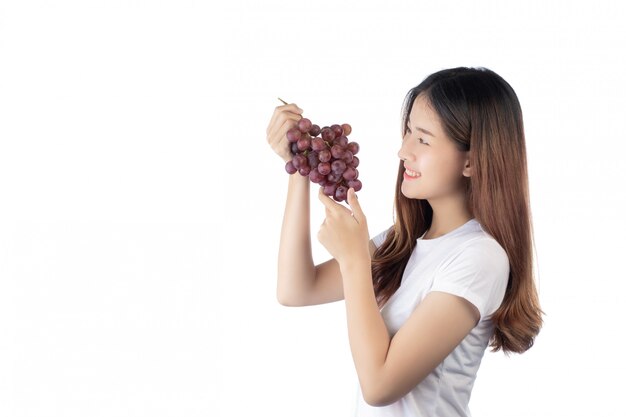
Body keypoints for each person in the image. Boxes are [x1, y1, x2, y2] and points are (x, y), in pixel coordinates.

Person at [265, 66, 543, 416]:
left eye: (423, 140)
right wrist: (299, 167)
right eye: (408, 131)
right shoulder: (405, 242)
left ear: (471, 161)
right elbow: (295, 289)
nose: (403, 151)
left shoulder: (479, 257)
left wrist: (354, 261)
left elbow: (379, 386)